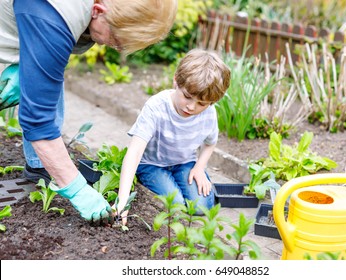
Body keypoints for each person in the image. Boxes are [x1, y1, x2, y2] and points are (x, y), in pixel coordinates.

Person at [0, 0, 178, 222]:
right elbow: (38, 122)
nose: (115, 48)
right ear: (98, 11)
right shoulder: (53, 12)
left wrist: (31, 64)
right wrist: (78, 191)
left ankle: (39, 165)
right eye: (117, 41)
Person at [114, 49, 231, 224]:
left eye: (201, 103)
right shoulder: (156, 106)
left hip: (184, 163)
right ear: (176, 81)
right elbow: (135, 151)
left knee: (202, 206)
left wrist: (199, 168)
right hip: (152, 165)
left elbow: (210, 143)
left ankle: (179, 181)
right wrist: (122, 200)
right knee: (175, 205)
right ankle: (150, 183)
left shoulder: (209, 113)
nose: (191, 107)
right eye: (187, 97)